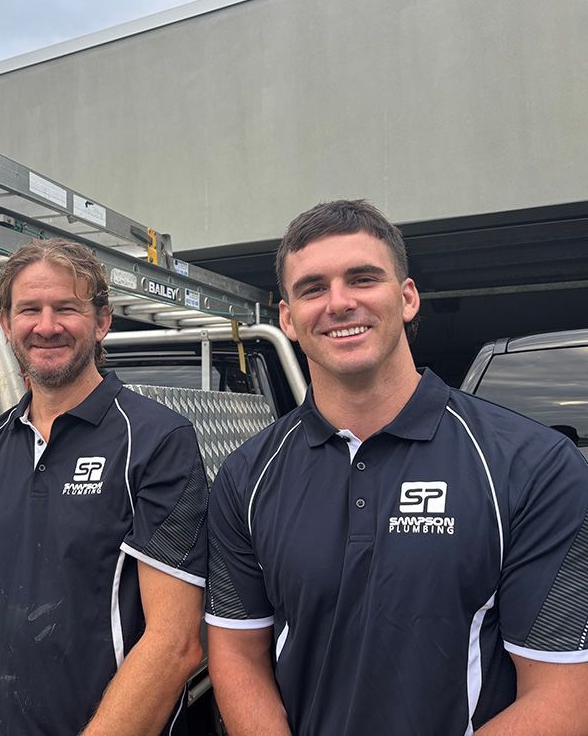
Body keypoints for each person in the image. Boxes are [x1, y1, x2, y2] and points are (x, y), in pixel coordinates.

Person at [205, 200, 588, 735]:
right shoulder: (246, 475)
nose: (339, 303)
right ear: (287, 319)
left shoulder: (534, 464)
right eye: (313, 288)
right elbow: (238, 655)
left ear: (406, 298)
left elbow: (565, 695)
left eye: (362, 279)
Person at [0, 238, 208, 735]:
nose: (46, 326)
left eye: (66, 308)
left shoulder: (156, 440)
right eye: (29, 310)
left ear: (102, 321)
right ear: (5, 324)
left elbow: (176, 642)